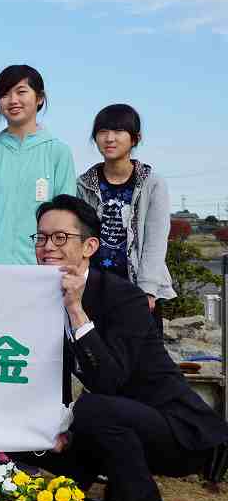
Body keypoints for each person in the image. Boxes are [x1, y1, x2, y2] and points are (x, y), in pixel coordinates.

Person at [24, 194, 227, 501]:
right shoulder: (40, 294)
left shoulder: (125, 298)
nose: (47, 247)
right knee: (20, 431)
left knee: (92, 408)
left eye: (60, 238)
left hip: (177, 432)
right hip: (123, 421)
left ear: (89, 246)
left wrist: (76, 310)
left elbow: (108, 380)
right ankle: (100, 485)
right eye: (41, 238)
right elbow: (54, 369)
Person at [77, 104, 174, 332]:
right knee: (98, 359)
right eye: (102, 132)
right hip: (95, 287)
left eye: (119, 131)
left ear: (134, 138)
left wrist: (148, 289)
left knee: (142, 361)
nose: (109, 138)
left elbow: (156, 239)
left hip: (136, 287)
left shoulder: (152, 183)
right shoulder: (83, 184)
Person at [0, 65, 76, 265]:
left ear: (40, 98)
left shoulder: (58, 152)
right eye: (5, 94)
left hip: (46, 266)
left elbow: (66, 216)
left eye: (21, 92)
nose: (13, 100)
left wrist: (59, 262)